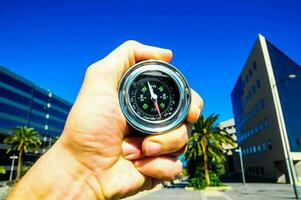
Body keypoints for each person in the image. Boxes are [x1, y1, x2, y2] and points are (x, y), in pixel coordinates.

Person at [7, 41, 203, 200]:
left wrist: (83, 177)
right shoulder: (107, 87)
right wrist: (79, 168)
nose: (153, 99)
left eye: (156, 98)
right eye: (150, 97)